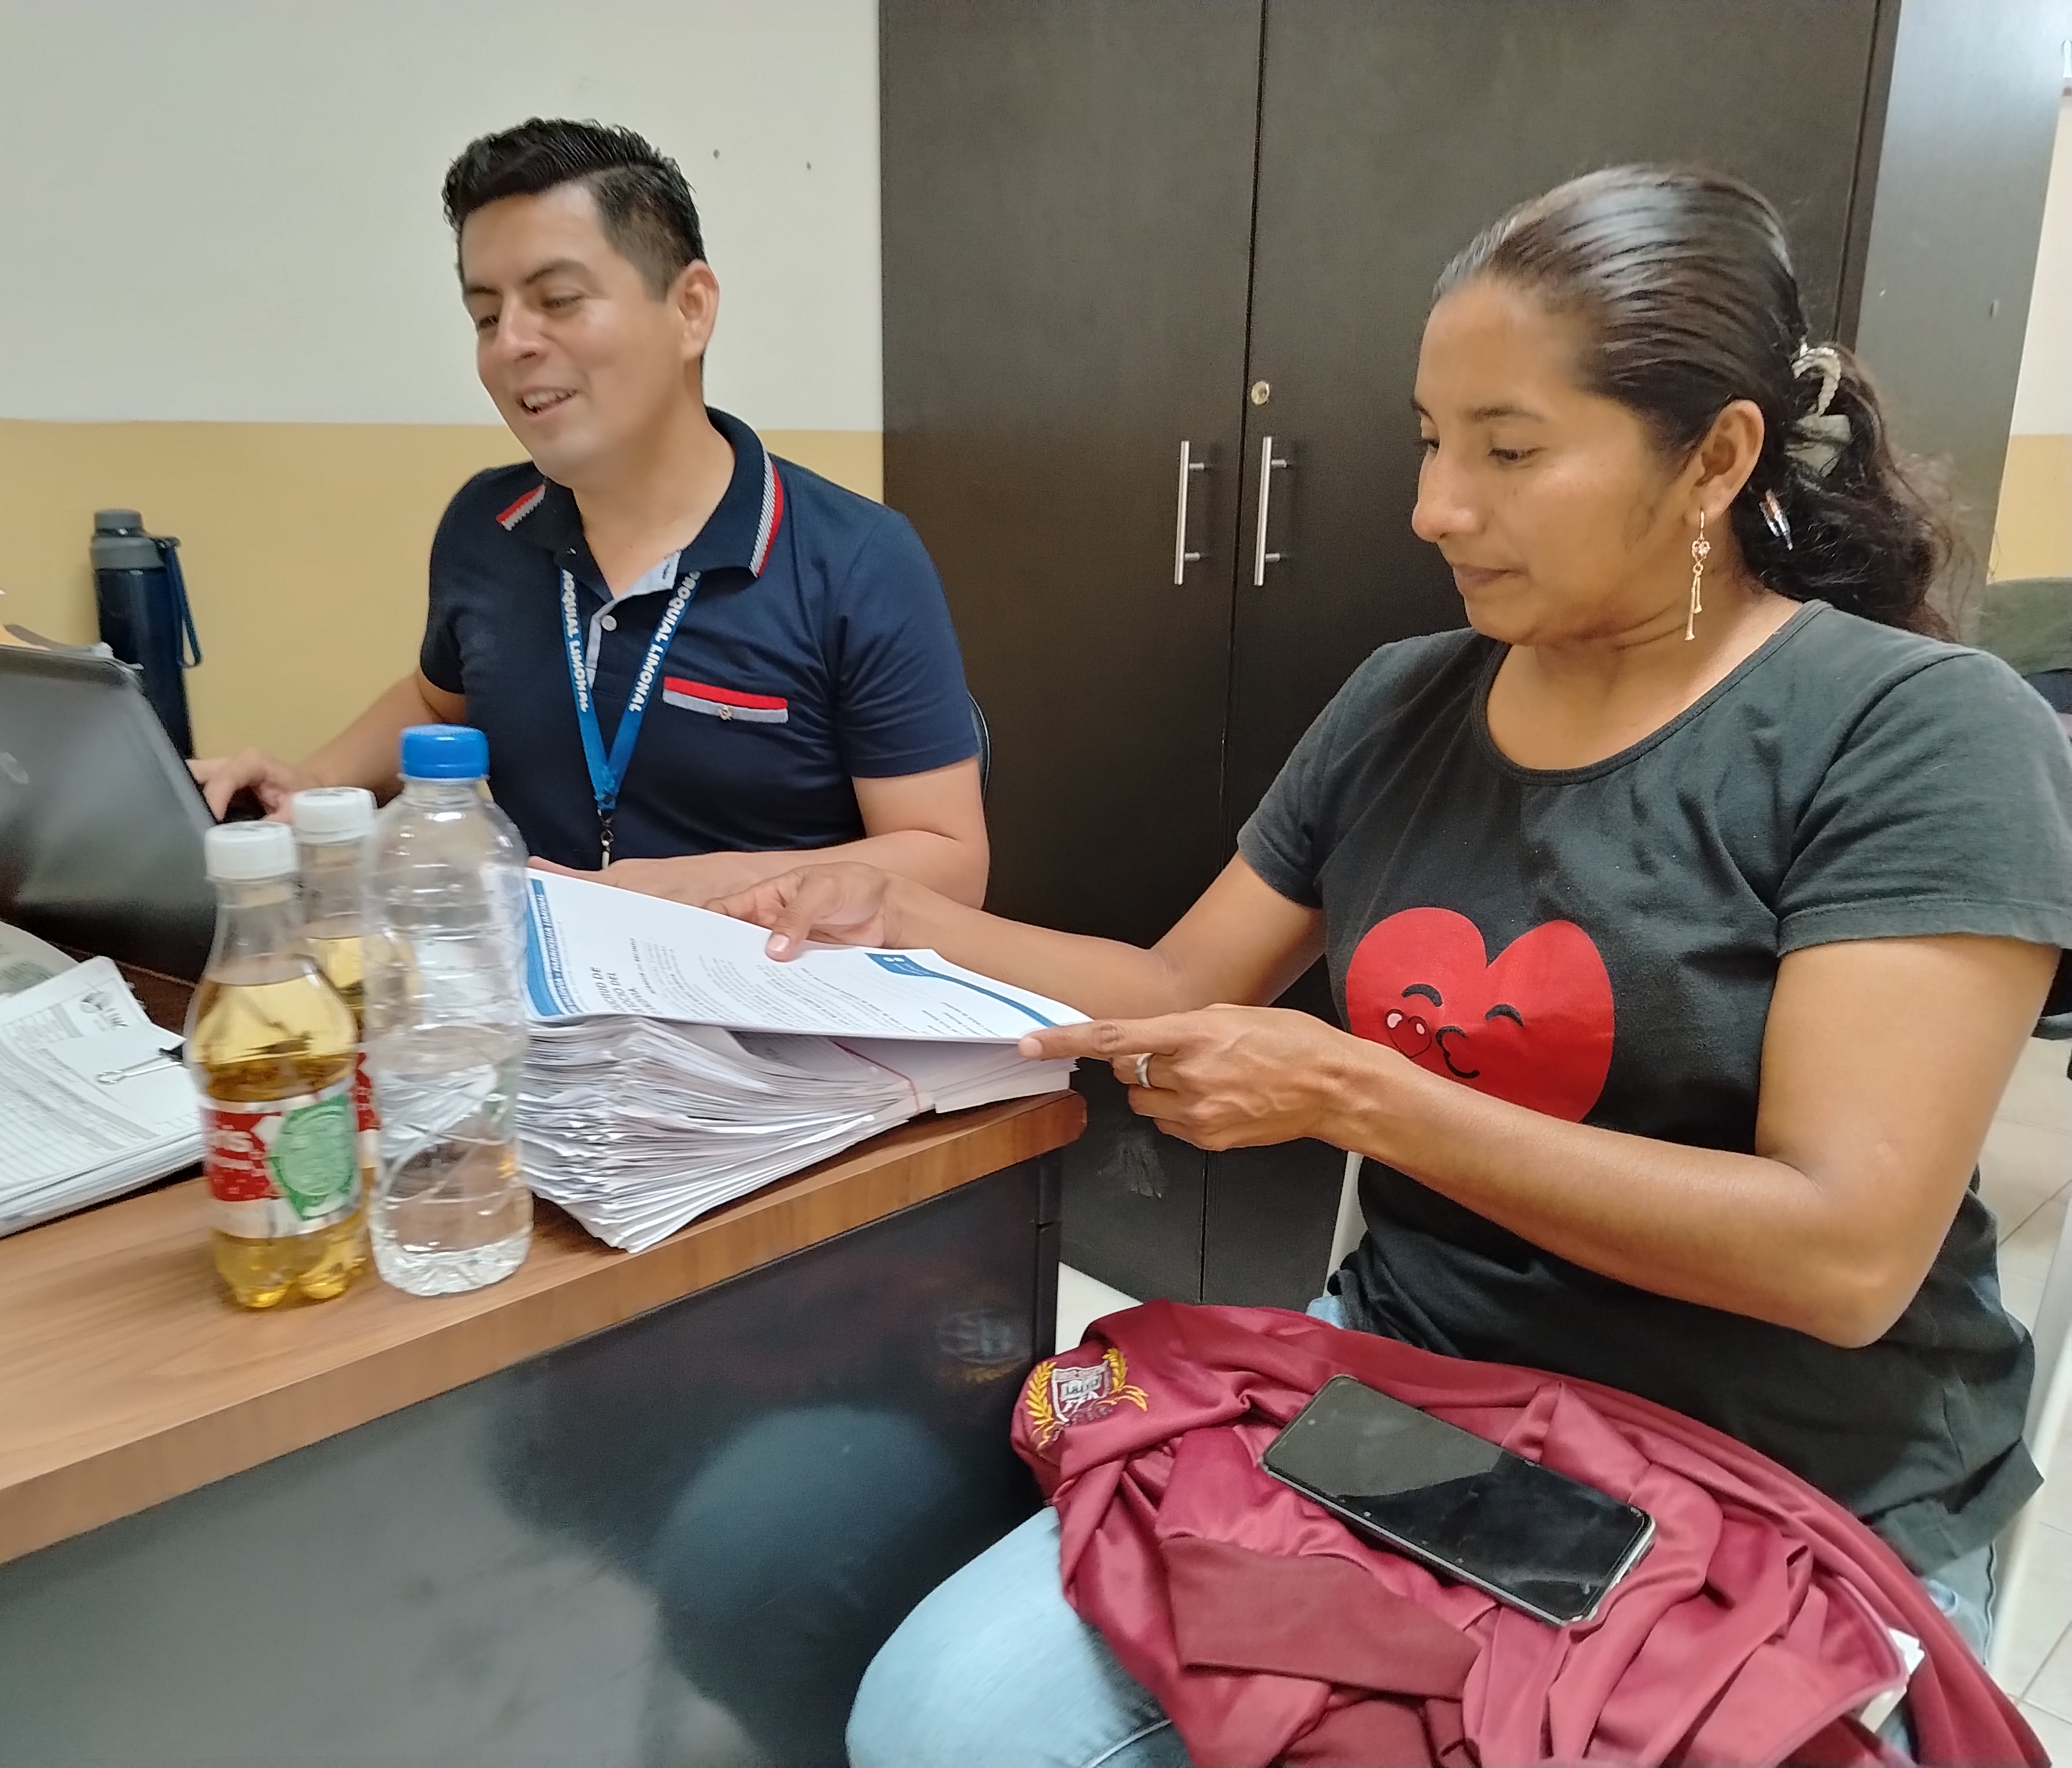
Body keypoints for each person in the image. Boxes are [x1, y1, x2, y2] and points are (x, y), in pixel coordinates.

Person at [712, 166, 2072, 1766]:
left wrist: (1363, 1097)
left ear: (1713, 458)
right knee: (940, 1721)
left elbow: (1839, 1258)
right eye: (1430, 441)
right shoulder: (1404, 701)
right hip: (1430, 1404)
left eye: (1508, 449)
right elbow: (1178, 986)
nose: (1434, 506)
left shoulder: (1916, 733)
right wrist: (911, 919)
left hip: (1786, 1471)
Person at [192, 120, 988, 907]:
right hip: (532, 974)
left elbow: (948, 860)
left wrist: (689, 888)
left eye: (559, 300)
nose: (511, 344)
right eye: (486, 316)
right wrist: (316, 784)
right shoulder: (486, 524)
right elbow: (439, 700)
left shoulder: (854, 558)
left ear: (691, 309)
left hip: (768, 978)